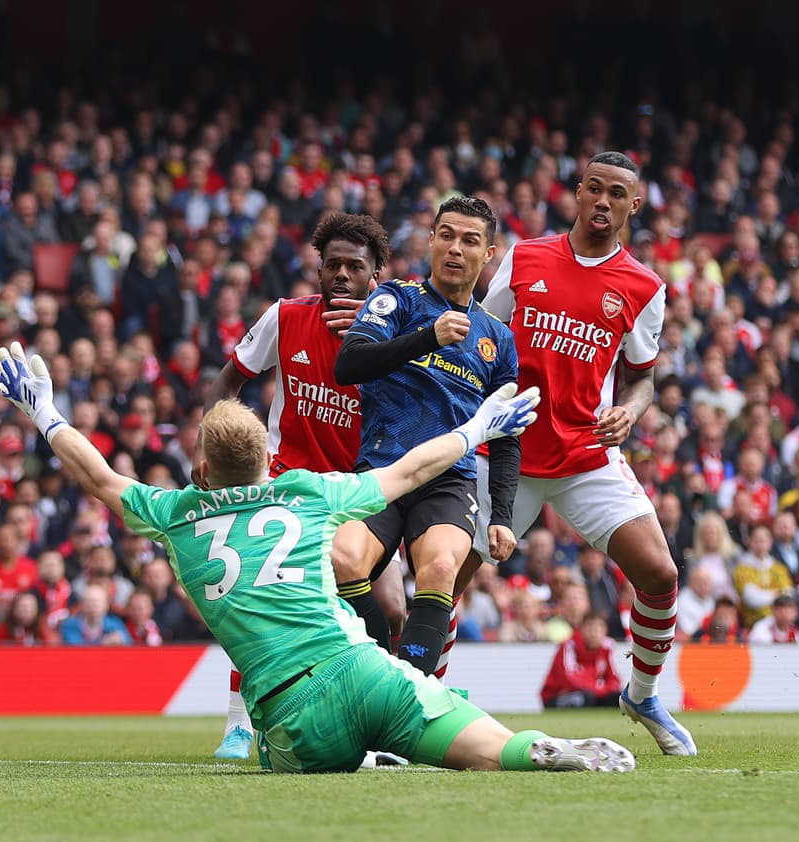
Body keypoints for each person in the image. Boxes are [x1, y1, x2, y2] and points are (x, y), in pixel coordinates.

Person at [0, 341, 635, 774]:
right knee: (486, 749)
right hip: (365, 671)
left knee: (289, 762)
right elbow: (410, 469)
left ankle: (362, 755)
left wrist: (44, 411)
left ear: (206, 467)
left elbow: (101, 478)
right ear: (263, 456)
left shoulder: (175, 514)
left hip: (292, 711)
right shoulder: (307, 492)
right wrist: (477, 429)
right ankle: (530, 751)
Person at [480, 151, 696, 756]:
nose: (603, 201)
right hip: (510, 452)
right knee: (448, 576)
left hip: (586, 455)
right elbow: (480, 337)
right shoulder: (525, 257)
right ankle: (420, 700)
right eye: (593, 189)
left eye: (616, 194)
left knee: (660, 573)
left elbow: (642, 377)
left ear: (633, 206)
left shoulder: (644, 286)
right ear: (576, 194)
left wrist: (631, 410)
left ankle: (643, 694)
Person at [201, 210, 394, 759]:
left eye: (353, 267)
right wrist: (206, 440)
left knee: (395, 611)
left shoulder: (393, 333)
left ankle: (395, 708)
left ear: (374, 276)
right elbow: (229, 377)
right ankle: (240, 723)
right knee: (262, 599)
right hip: (286, 480)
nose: (340, 275)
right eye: (330, 264)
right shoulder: (285, 317)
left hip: (357, 488)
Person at [333, 195, 520, 681]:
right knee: (343, 559)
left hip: (447, 481)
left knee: (439, 569)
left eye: (470, 241)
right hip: (383, 471)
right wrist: (428, 338)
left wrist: (501, 516)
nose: (456, 249)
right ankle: (382, 680)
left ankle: (413, 696)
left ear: (490, 254)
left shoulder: (497, 338)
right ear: (433, 240)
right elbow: (348, 365)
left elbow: (506, 434)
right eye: (447, 236)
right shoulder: (396, 299)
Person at [541, 613, 622, 708]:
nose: (594, 633)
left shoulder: (606, 648)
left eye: (598, 628)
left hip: (593, 693)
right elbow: (568, 680)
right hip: (558, 696)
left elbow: (614, 679)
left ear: (605, 631)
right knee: (584, 697)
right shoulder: (568, 646)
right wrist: (597, 689)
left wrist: (602, 690)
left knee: (619, 698)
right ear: (581, 630)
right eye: (590, 628)